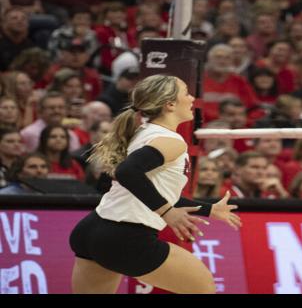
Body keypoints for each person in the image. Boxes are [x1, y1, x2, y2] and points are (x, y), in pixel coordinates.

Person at [69, 74, 241, 293]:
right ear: (170, 104)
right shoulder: (171, 142)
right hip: (126, 236)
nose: (192, 98)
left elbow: (150, 189)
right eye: (186, 93)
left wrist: (208, 209)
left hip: (93, 231)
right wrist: (166, 211)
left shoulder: (144, 132)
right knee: (204, 288)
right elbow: (127, 172)